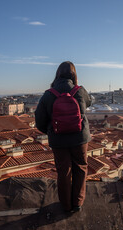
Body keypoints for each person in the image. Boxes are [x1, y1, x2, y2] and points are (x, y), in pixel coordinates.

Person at [35, 61, 91, 212]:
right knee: (80, 168)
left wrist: (52, 131)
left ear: (58, 74)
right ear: (73, 74)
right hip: (80, 138)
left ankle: (65, 205)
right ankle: (78, 203)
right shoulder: (80, 91)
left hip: (58, 140)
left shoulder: (48, 94)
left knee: (63, 171)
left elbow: (39, 121)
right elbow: (90, 102)